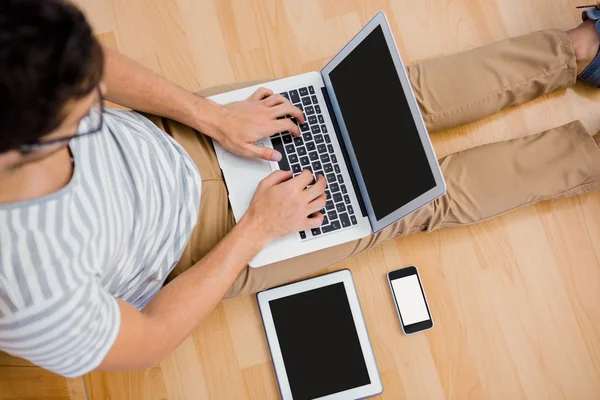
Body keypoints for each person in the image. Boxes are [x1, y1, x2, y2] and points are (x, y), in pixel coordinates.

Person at [1, 0, 599, 377]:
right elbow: (147, 341)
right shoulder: (29, 292)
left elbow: (87, 65)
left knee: (383, 103)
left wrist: (210, 116)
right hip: (198, 245)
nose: (96, 97)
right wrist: (256, 229)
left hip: (178, 131)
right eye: (84, 114)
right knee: (407, 203)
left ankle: (583, 50)